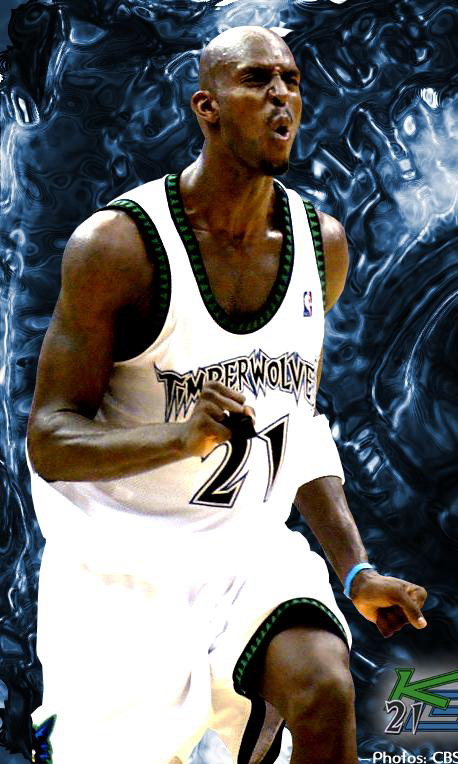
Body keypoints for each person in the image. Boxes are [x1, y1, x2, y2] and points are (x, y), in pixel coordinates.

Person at [27, 25, 427, 764]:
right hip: (119, 571)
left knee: (325, 689)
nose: (281, 96)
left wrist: (355, 569)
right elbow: (49, 439)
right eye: (256, 79)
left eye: (291, 81)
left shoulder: (320, 245)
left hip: (247, 555)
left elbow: (297, 426)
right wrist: (177, 439)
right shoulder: (117, 246)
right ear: (206, 108)